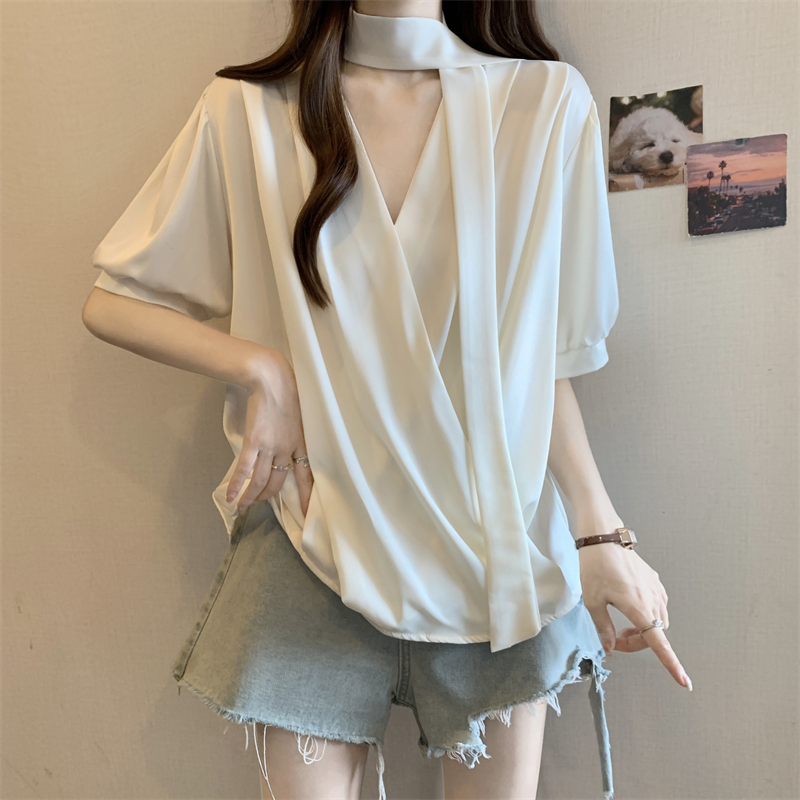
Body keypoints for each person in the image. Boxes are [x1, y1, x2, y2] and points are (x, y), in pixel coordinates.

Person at [82, 1, 692, 798]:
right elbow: (115, 301)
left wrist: (599, 534)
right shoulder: (246, 111)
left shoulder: (544, 103)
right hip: (312, 537)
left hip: (498, 551)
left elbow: (543, 361)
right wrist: (264, 370)